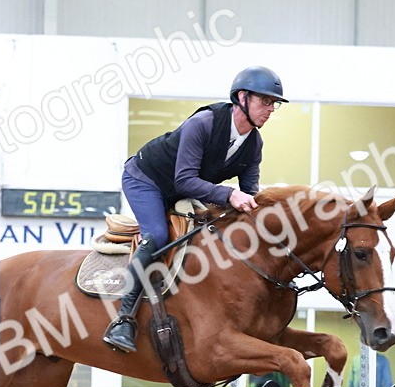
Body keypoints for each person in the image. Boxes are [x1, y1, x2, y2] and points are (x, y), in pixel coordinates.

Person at [102, 66, 287, 354]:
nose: (271, 109)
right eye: (265, 101)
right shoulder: (203, 123)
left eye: (274, 104)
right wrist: (228, 194)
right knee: (157, 237)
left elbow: (249, 193)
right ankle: (123, 320)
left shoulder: (254, 144)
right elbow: (184, 180)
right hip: (146, 180)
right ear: (241, 97)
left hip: (184, 190)